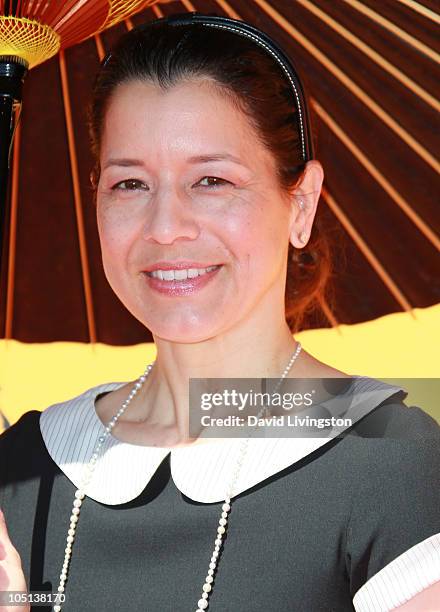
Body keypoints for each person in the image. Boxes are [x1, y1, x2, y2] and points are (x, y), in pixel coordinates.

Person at [0, 12, 439, 612]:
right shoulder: (23, 473)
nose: (166, 228)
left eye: (211, 180)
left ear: (302, 204)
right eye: (130, 185)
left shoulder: (392, 460)